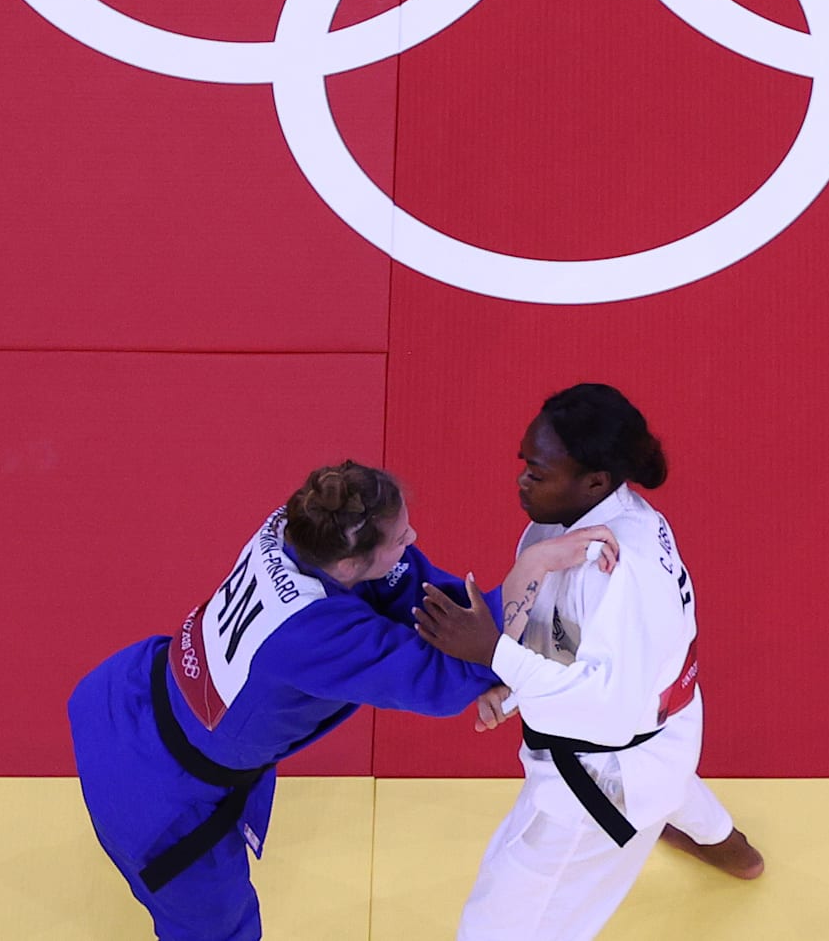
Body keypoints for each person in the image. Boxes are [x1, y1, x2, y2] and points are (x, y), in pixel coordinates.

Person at [67, 459, 618, 941]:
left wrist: (503, 670)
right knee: (222, 931)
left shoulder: (302, 524)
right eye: (401, 538)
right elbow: (444, 678)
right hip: (155, 789)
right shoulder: (312, 632)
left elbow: (428, 604)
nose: (414, 538)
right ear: (352, 565)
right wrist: (532, 569)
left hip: (131, 688)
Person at [415, 383, 763, 941]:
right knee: (669, 784)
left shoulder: (620, 571)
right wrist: (517, 688)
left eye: (538, 471)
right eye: (524, 463)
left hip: (609, 774)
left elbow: (611, 716)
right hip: (666, 728)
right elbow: (565, 634)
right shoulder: (584, 520)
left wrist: (494, 653)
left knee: (497, 920)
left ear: (595, 479)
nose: (522, 480)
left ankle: (679, 828)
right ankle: (730, 848)